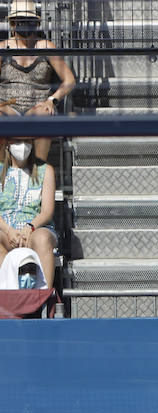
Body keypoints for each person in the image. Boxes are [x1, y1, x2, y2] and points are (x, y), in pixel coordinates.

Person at [0, 0, 75, 165]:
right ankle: (2, 172)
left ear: (36, 23)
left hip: (37, 108)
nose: (25, 25)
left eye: (29, 21)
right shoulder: (3, 48)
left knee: (44, 115)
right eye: (20, 21)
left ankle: (39, 171)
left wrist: (52, 100)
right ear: (12, 23)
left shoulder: (46, 47)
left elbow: (69, 80)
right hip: (7, 107)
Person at [0, 137, 56, 287]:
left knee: (43, 239)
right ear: (7, 144)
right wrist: (8, 230)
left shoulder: (46, 170)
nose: (22, 146)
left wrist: (29, 227)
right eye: (17, 141)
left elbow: (47, 211)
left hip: (35, 228)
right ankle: (6, 298)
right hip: (5, 229)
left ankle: (44, 299)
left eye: (27, 142)